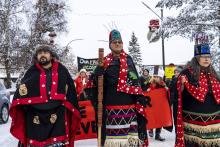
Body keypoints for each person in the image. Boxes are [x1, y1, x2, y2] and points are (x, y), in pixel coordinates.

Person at [10, 45, 80, 147]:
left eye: (45, 52)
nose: (42, 54)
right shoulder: (31, 71)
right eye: (39, 53)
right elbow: (22, 92)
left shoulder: (62, 70)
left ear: (51, 55)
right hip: (34, 116)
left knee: (57, 144)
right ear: (36, 56)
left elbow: (71, 91)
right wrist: (23, 107)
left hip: (57, 115)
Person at [93, 29, 149, 146]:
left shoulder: (129, 60)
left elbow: (135, 80)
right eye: (114, 42)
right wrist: (97, 74)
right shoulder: (104, 62)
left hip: (129, 107)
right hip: (111, 107)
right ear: (110, 45)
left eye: (119, 42)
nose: (117, 44)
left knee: (130, 142)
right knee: (114, 141)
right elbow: (95, 85)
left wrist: (139, 96)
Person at [175, 42, 220, 146]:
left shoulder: (213, 73)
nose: (206, 59)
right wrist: (180, 85)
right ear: (196, 58)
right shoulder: (187, 73)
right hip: (193, 121)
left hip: (214, 120)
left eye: (208, 57)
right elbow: (179, 94)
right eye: (203, 56)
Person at [144, 66, 171, 142]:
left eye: (157, 77)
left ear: (160, 77)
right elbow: (144, 91)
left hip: (160, 105)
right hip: (152, 105)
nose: (155, 78)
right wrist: (147, 90)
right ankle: (151, 129)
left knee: (160, 118)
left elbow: (168, 94)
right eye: (154, 76)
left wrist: (166, 89)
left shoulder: (163, 84)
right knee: (152, 116)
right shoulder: (149, 83)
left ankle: (157, 134)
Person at [169, 66, 183, 134]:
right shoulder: (173, 79)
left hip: (181, 100)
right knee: (175, 116)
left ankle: (181, 130)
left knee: (181, 116)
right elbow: (170, 89)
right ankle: (176, 131)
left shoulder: (182, 79)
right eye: (175, 72)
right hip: (175, 100)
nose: (176, 73)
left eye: (178, 72)